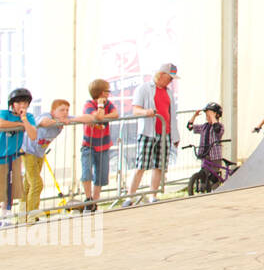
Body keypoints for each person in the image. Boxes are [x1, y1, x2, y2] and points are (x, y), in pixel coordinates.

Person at [22, 98, 97, 222]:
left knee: (28, 184)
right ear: (53, 111)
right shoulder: (46, 116)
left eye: (67, 110)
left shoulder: (65, 118)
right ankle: (31, 215)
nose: (65, 112)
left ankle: (22, 214)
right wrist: (57, 121)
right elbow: (44, 122)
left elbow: (89, 118)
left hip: (39, 153)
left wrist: (70, 119)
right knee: (36, 184)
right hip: (28, 151)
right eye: (61, 110)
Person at [128, 63, 180, 205]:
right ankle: (130, 196)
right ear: (162, 75)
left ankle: (153, 194)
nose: (171, 82)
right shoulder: (144, 89)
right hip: (147, 132)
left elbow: (172, 115)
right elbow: (135, 110)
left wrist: (175, 135)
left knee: (160, 165)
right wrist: (146, 112)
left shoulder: (169, 92)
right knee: (141, 165)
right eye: (170, 78)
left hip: (165, 133)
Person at [0, 88, 38, 226]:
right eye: (19, 102)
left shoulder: (29, 117)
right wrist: (19, 124)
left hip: (13, 157)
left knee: (10, 189)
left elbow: (33, 135)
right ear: (12, 104)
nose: (22, 105)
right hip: (0, 156)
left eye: (25, 102)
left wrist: (24, 120)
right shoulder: (4, 113)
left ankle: (5, 217)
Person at [80, 79, 119, 212]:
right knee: (87, 172)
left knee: (101, 174)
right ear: (102, 92)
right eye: (107, 91)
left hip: (104, 144)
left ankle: (95, 201)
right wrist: (101, 107)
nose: (109, 94)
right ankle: (88, 197)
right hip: (89, 144)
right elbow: (99, 117)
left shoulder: (108, 103)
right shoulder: (89, 104)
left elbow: (115, 114)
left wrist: (103, 114)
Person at [187, 102, 225, 184]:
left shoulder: (220, 126)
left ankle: (215, 187)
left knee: (214, 176)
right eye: (207, 115)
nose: (207, 117)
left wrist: (212, 117)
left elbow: (217, 129)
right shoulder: (204, 126)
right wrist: (194, 116)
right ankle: (204, 187)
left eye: (209, 115)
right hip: (205, 153)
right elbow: (189, 126)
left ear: (217, 115)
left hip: (215, 155)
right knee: (204, 173)